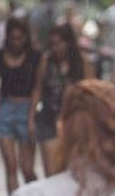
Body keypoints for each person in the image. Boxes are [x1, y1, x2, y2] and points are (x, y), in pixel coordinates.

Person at [29, 24, 93, 176]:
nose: (56, 48)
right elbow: (37, 89)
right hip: (48, 118)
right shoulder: (47, 60)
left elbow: (92, 92)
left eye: (59, 43)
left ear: (68, 43)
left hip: (73, 120)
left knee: (70, 171)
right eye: (52, 44)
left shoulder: (82, 62)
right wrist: (31, 117)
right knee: (51, 172)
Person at [0, 17, 41, 196]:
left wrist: (32, 117)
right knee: (10, 166)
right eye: (13, 37)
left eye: (20, 38)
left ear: (26, 37)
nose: (16, 42)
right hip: (5, 108)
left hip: (26, 108)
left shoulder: (35, 57)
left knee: (27, 168)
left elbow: (37, 87)